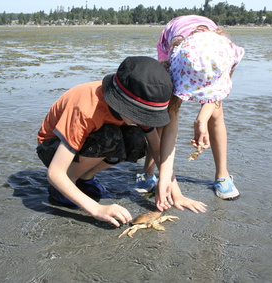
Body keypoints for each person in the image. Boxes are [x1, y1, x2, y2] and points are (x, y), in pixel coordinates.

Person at [36, 56, 206, 228]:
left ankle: (86, 177)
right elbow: (55, 173)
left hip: (89, 142)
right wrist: (97, 209)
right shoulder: (86, 108)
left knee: (136, 139)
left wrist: (175, 192)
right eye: (141, 115)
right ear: (122, 102)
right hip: (53, 147)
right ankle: (68, 182)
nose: (143, 119)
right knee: (110, 135)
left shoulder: (139, 99)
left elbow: (157, 149)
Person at [137, 15, 245, 211]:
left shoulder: (226, 53)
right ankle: (148, 171)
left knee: (216, 114)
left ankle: (222, 175)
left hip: (209, 52)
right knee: (164, 116)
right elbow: (171, 129)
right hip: (175, 42)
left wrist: (201, 119)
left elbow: (218, 92)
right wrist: (166, 180)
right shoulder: (173, 64)